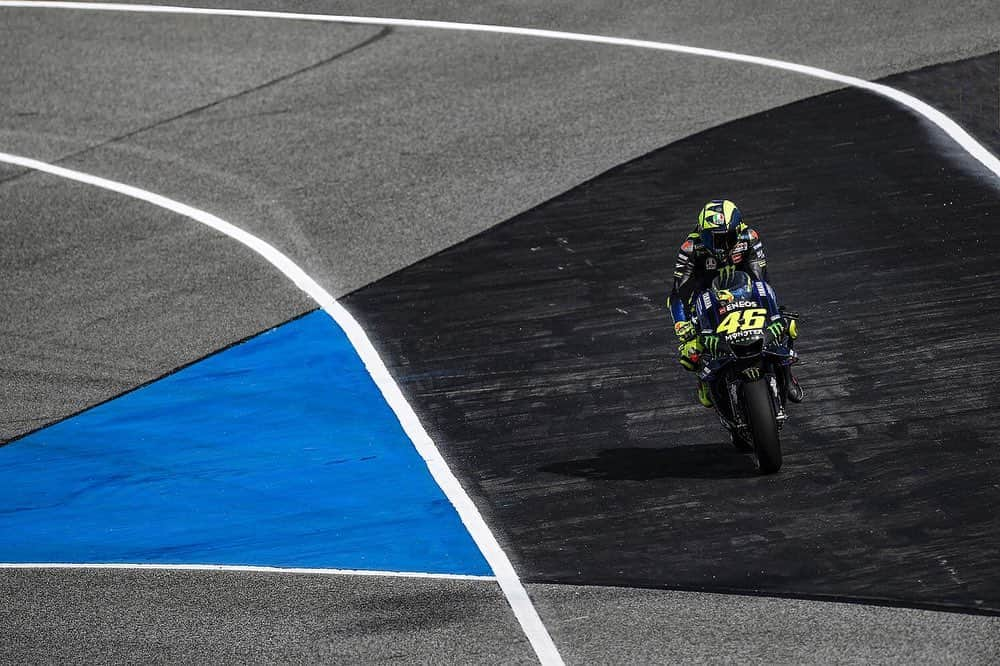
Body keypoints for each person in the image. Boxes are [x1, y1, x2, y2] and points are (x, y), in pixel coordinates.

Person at [668, 200, 802, 405]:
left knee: (781, 323)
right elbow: (678, 293)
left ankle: (786, 369)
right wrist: (682, 325)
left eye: (724, 238)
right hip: (706, 297)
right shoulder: (690, 247)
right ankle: (703, 379)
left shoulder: (749, 237)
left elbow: (761, 279)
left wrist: (772, 312)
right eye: (710, 237)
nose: (718, 244)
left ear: (737, 230)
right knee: (689, 354)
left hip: (742, 290)